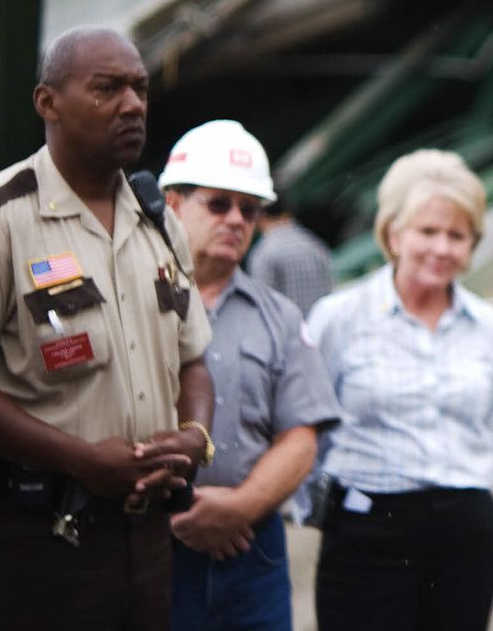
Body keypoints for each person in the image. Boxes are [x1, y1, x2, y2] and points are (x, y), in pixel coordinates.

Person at [0, 27, 215, 631]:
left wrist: (194, 436)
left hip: (147, 531)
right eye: (108, 89)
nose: (133, 104)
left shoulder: (158, 222)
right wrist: (80, 459)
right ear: (48, 103)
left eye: (139, 88)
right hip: (40, 532)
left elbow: (193, 358)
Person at [304, 149, 493, 631]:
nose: (441, 248)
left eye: (456, 235)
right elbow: (305, 423)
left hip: (465, 531)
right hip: (367, 526)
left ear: (471, 245)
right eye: (427, 231)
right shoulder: (340, 317)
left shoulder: (487, 326)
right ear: (394, 235)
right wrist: (321, 506)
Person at [156, 120, 341, 631]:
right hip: (148, 543)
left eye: (250, 209)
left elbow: (301, 437)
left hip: (250, 551)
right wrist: (175, 512)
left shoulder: (278, 317)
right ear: (173, 202)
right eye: (219, 204)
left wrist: (241, 506)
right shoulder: (130, 301)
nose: (237, 220)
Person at [243, 198, 334, 315]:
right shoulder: (316, 246)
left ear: (260, 216)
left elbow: (264, 307)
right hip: (320, 328)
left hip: (288, 332)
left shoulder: (264, 253)